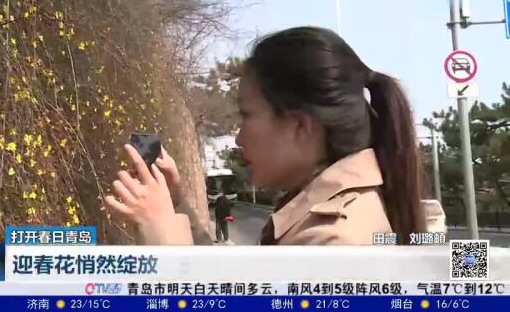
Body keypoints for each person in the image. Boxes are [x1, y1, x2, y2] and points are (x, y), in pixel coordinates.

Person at [104, 26, 427, 245]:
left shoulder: (334, 241)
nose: (239, 139)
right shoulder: (322, 216)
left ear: (300, 126)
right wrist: (176, 206)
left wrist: (161, 232)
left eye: (247, 116)